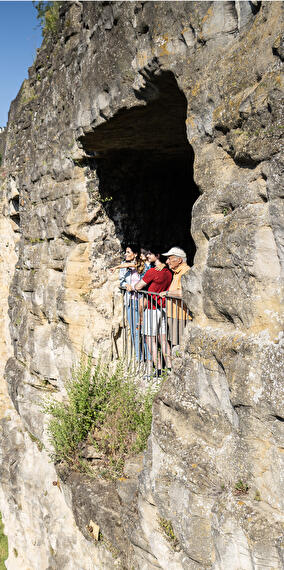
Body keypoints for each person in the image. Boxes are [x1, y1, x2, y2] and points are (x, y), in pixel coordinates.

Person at [132, 250, 172, 374]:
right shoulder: (168, 271)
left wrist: (133, 287)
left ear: (157, 255)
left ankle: (159, 368)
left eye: (150, 253)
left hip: (152, 308)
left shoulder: (152, 272)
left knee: (150, 339)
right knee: (163, 339)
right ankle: (170, 367)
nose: (148, 256)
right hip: (164, 307)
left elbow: (138, 286)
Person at [162, 247, 191, 346]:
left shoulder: (186, 272)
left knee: (179, 345)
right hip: (175, 314)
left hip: (181, 316)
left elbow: (184, 292)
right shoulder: (177, 272)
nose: (167, 262)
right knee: (175, 343)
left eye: (169, 259)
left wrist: (167, 293)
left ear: (179, 260)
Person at [119, 245, 142, 361]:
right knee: (134, 331)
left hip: (142, 302)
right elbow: (121, 281)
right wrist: (125, 285)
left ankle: (149, 359)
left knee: (144, 331)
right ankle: (139, 358)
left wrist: (133, 287)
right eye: (125, 252)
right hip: (130, 302)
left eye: (128, 252)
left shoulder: (141, 265)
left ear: (136, 254)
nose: (126, 254)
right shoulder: (124, 266)